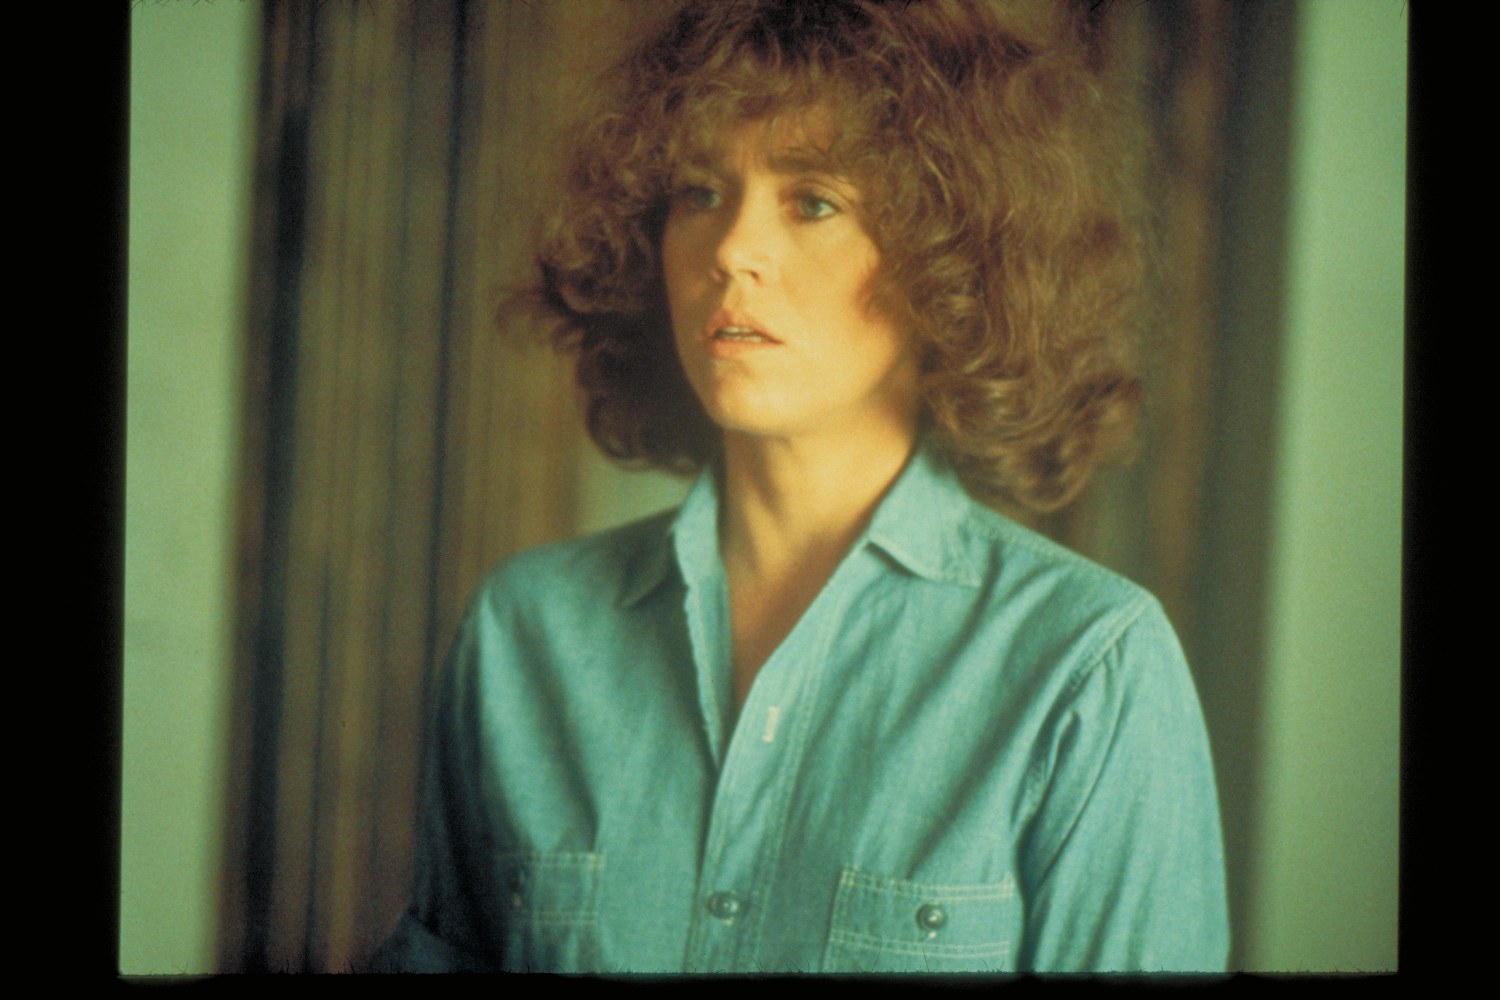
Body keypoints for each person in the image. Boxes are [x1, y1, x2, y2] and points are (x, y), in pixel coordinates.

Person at [375, 0, 1229, 974]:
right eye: (699, 192)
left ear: (953, 260)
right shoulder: (525, 633)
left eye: (813, 201)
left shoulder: (1086, 668)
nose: (732, 249)